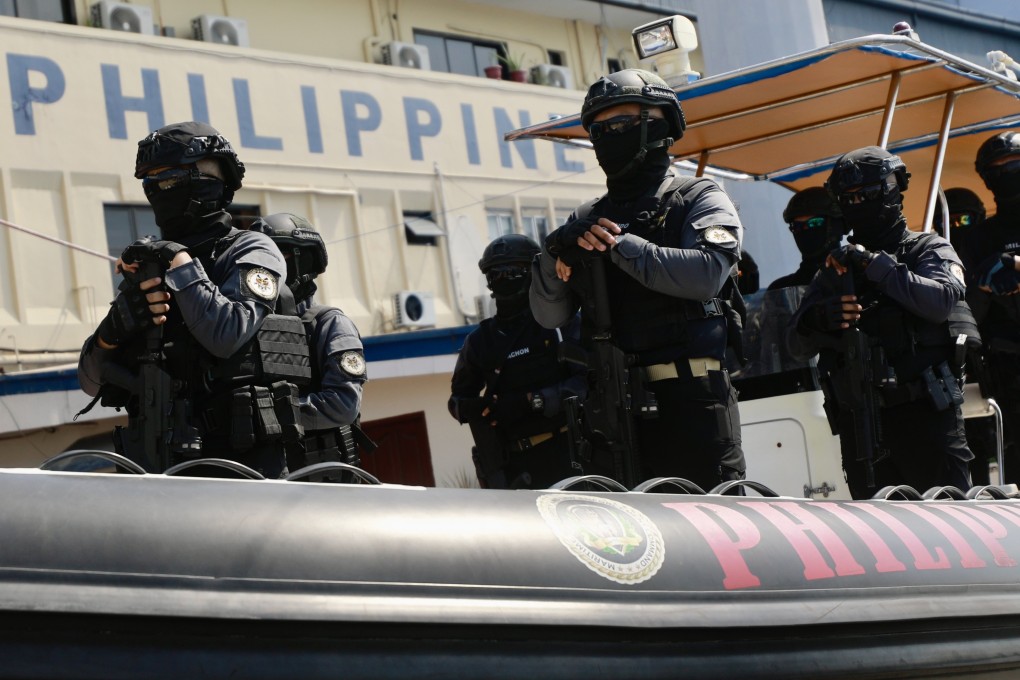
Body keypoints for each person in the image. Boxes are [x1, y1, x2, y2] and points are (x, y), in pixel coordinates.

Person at [529, 68, 746, 492]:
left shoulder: (698, 197)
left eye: (624, 124)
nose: (611, 135)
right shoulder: (583, 218)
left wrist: (617, 244)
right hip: (613, 409)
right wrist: (552, 251)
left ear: (661, 125)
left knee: (709, 543)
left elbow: (705, 275)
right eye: (600, 129)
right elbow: (548, 315)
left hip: (692, 405)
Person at [77, 121, 302, 478]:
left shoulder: (250, 249)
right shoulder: (150, 262)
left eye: (171, 178)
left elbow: (226, 334)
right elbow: (89, 382)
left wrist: (179, 261)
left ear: (215, 180)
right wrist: (112, 331)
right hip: (154, 467)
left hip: (237, 468)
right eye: (150, 182)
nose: (159, 190)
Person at [787, 146, 976, 498]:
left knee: (950, 526)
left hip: (926, 418)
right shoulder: (837, 267)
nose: (859, 204)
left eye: (868, 195)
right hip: (863, 424)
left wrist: (876, 265)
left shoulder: (926, 248)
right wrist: (818, 319)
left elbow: (940, 301)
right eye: (850, 198)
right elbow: (796, 345)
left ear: (893, 190)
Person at [449, 234, 585, 489]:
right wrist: (473, 408)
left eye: (512, 272)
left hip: (567, 455)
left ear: (533, 272)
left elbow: (588, 383)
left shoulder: (561, 323)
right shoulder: (479, 341)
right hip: (513, 468)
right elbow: (456, 400)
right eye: (495, 275)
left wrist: (533, 401)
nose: (503, 280)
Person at [249, 213, 371, 481]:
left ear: (303, 258)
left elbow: (343, 404)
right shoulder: (246, 325)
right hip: (268, 478)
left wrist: (270, 415)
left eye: (278, 255)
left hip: (323, 482)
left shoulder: (329, 324)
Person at [967, 131, 1020, 484]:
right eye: (996, 171)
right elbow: (963, 309)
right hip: (1008, 380)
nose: (1006, 175)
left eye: (1013, 166)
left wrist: (1014, 265)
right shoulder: (976, 239)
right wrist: (982, 287)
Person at [767, 187, 846, 291]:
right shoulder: (781, 290)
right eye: (797, 226)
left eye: (814, 223)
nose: (805, 231)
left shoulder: (860, 277)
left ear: (836, 225)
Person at [933, 187, 985, 269]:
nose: (956, 225)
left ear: (978, 219)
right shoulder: (933, 262)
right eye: (946, 223)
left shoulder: (993, 252)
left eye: (963, 220)